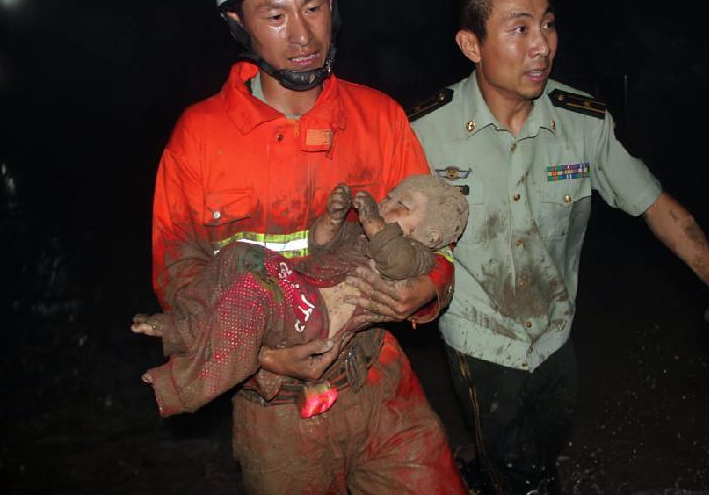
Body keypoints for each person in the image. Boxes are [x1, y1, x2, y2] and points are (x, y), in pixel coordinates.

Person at [410, 0, 709, 495]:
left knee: (542, 447)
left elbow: (658, 207)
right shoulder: (422, 131)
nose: (542, 44)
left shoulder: (583, 122)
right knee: (527, 484)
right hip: (478, 337)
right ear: (471, 45)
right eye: (519, 28)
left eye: (548, 25)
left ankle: (495, 482)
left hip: (556, 330)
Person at [142, 0, 474, 495]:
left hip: (379, 381)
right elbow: (179, 273)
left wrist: (429, 290)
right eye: (274, 13)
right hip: (273, 409)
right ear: (238, 23)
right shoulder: (199, 139)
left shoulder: (379, 118)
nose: (302, 35)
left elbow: (437, 241)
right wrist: (264, 358)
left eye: (313, 6)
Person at [133, 175, 468, 419]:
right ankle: (184, 325)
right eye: (391, 196)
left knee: (252, 295)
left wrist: (372, 220)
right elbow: (320, 244)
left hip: (315, 316)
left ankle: (180, 388)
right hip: (299, 287)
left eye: (401, 206)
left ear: (432, 236)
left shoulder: (418, 255)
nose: (386, 205)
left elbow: (396, 263)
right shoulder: (362, 234)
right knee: (240, 255)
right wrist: (334, 219)